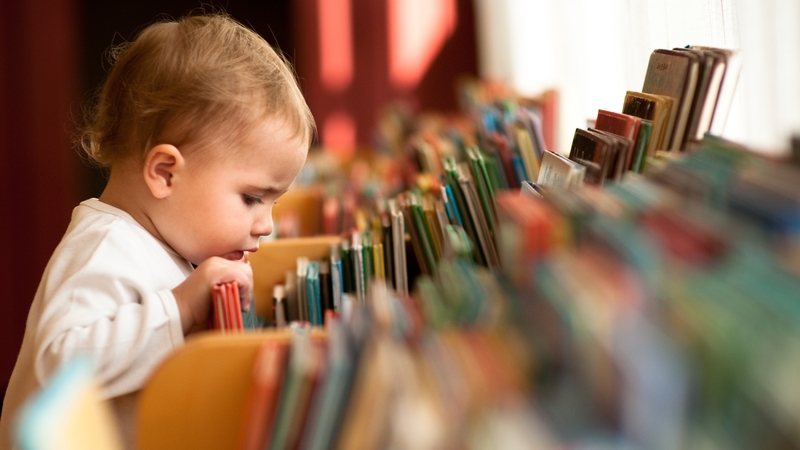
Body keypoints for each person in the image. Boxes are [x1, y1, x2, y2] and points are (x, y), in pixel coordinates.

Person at [0, 12, 314, 449]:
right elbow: (59, 365)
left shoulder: (167, 242)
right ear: (165, 173)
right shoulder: (104, 248)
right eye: (251, 198)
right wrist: (181, 307)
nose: (266, 225)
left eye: (273, 203)